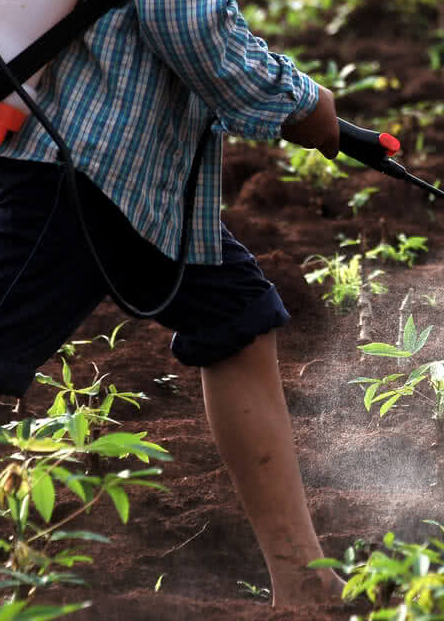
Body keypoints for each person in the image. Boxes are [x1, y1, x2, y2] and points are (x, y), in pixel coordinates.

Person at [0, 1, 343, 607]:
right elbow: (183, 20)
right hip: (75, 162)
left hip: (130, 172)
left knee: (233, 314)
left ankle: (305, 583)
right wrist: (300, 103)